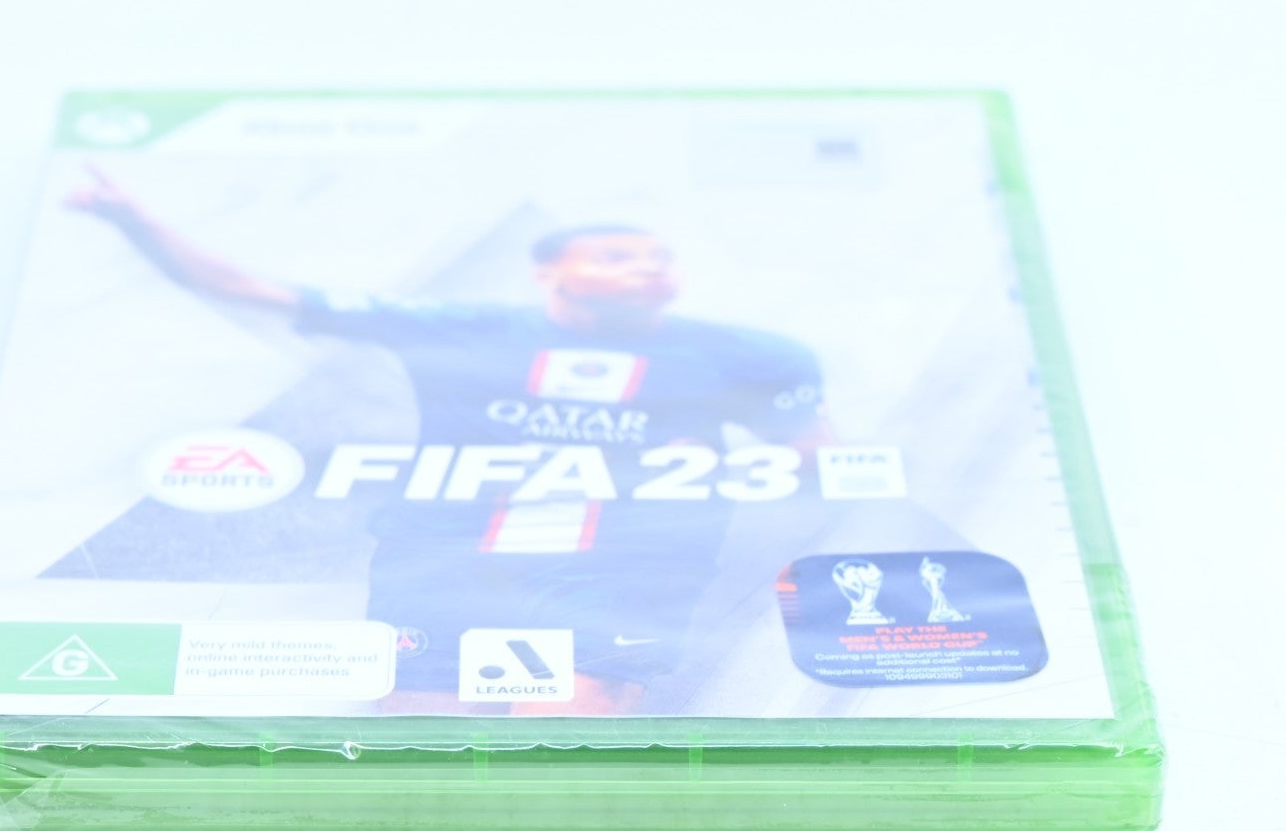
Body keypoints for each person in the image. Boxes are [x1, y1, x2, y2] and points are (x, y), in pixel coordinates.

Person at [65, 166, 831, 715]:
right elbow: (250, 290)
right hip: (445, 566)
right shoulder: (464, 330)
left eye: (658, 259)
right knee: (419, 751)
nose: (646, 270)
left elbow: (817, 458)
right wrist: (134, 221)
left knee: (558, 750)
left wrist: (718, 468)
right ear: (547, 272)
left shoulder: (751, 356)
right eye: (617, 257)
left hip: (619, 577)